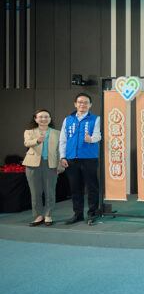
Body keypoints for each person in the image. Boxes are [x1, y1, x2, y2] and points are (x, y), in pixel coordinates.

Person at [60, 93, 102, 224]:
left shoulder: (96, 119)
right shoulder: (68, 120)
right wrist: (62, 156)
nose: (82, 104)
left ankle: (92, 213)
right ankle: (77, 214)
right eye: (80, 102)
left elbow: (98, 135)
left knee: (92, 187)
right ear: (75, 104)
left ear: (90, 105)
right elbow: (63, 139)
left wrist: (91, 139)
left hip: (89, 158)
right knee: (75, 188)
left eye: (85, 102)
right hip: (71, 158)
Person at [23, 109, 63, 226]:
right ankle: (38, 215)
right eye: (40, 117)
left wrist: (60, 165)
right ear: (35, 119)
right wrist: (37, 140)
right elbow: (27, 143)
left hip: (51, 164)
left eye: (46, 117)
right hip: (32, 165)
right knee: (35, 192)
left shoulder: (57, 133)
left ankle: (48, 215)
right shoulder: (29, 132)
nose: (44, 119)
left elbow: (60, 150)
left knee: (50, 192)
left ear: (50, 119)